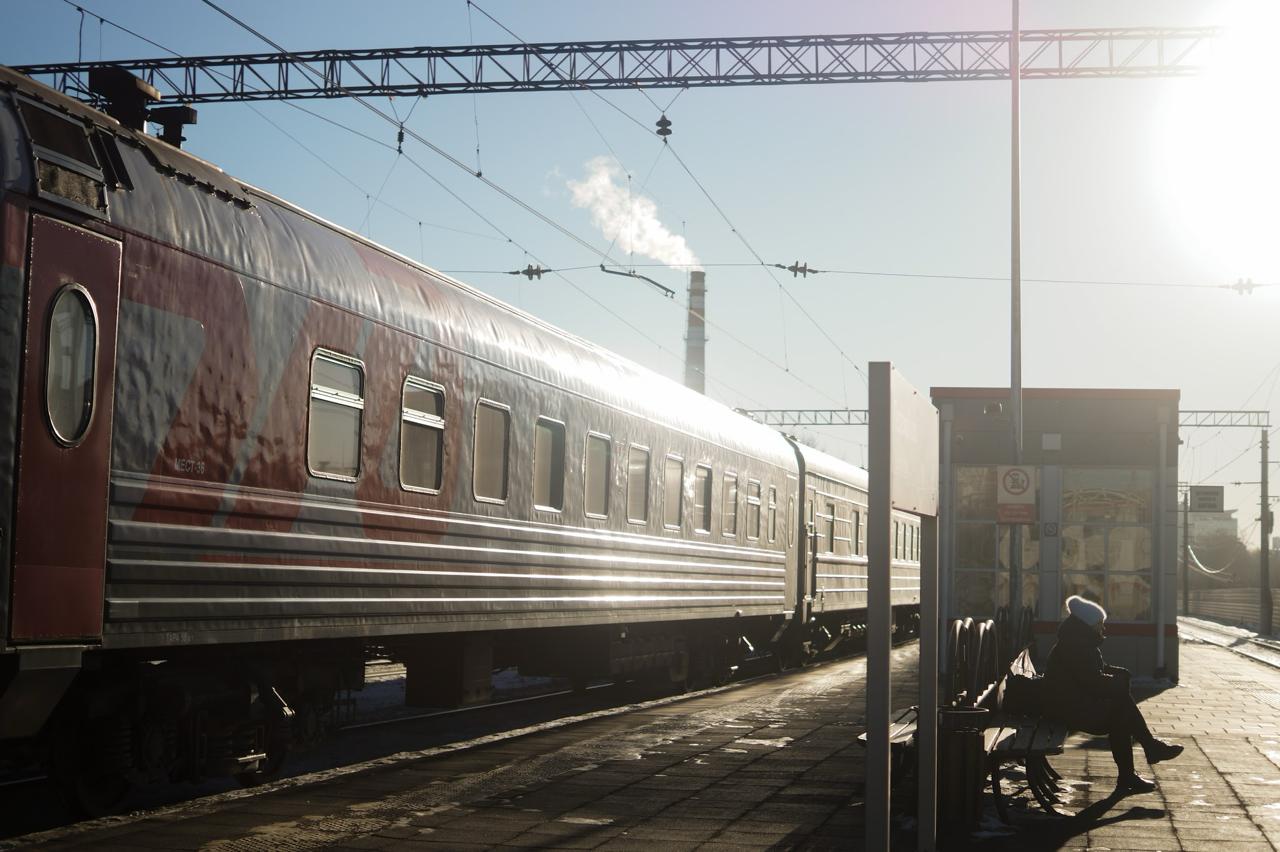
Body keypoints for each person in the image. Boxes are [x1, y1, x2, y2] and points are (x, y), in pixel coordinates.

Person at [1042, 595, 1183, 796]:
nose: (1103, 629)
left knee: (1121, 711)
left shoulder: (1079, 642)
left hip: (1070, 703)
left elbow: (1093, 672)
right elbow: (1092, 682)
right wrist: (1118, 682)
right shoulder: (1076, 646)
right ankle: (1143, 756)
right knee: (1121, 711)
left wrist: (1119, 674)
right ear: (1088, 625)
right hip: (1066, 709)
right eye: (1100, 624)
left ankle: (1140, 760)